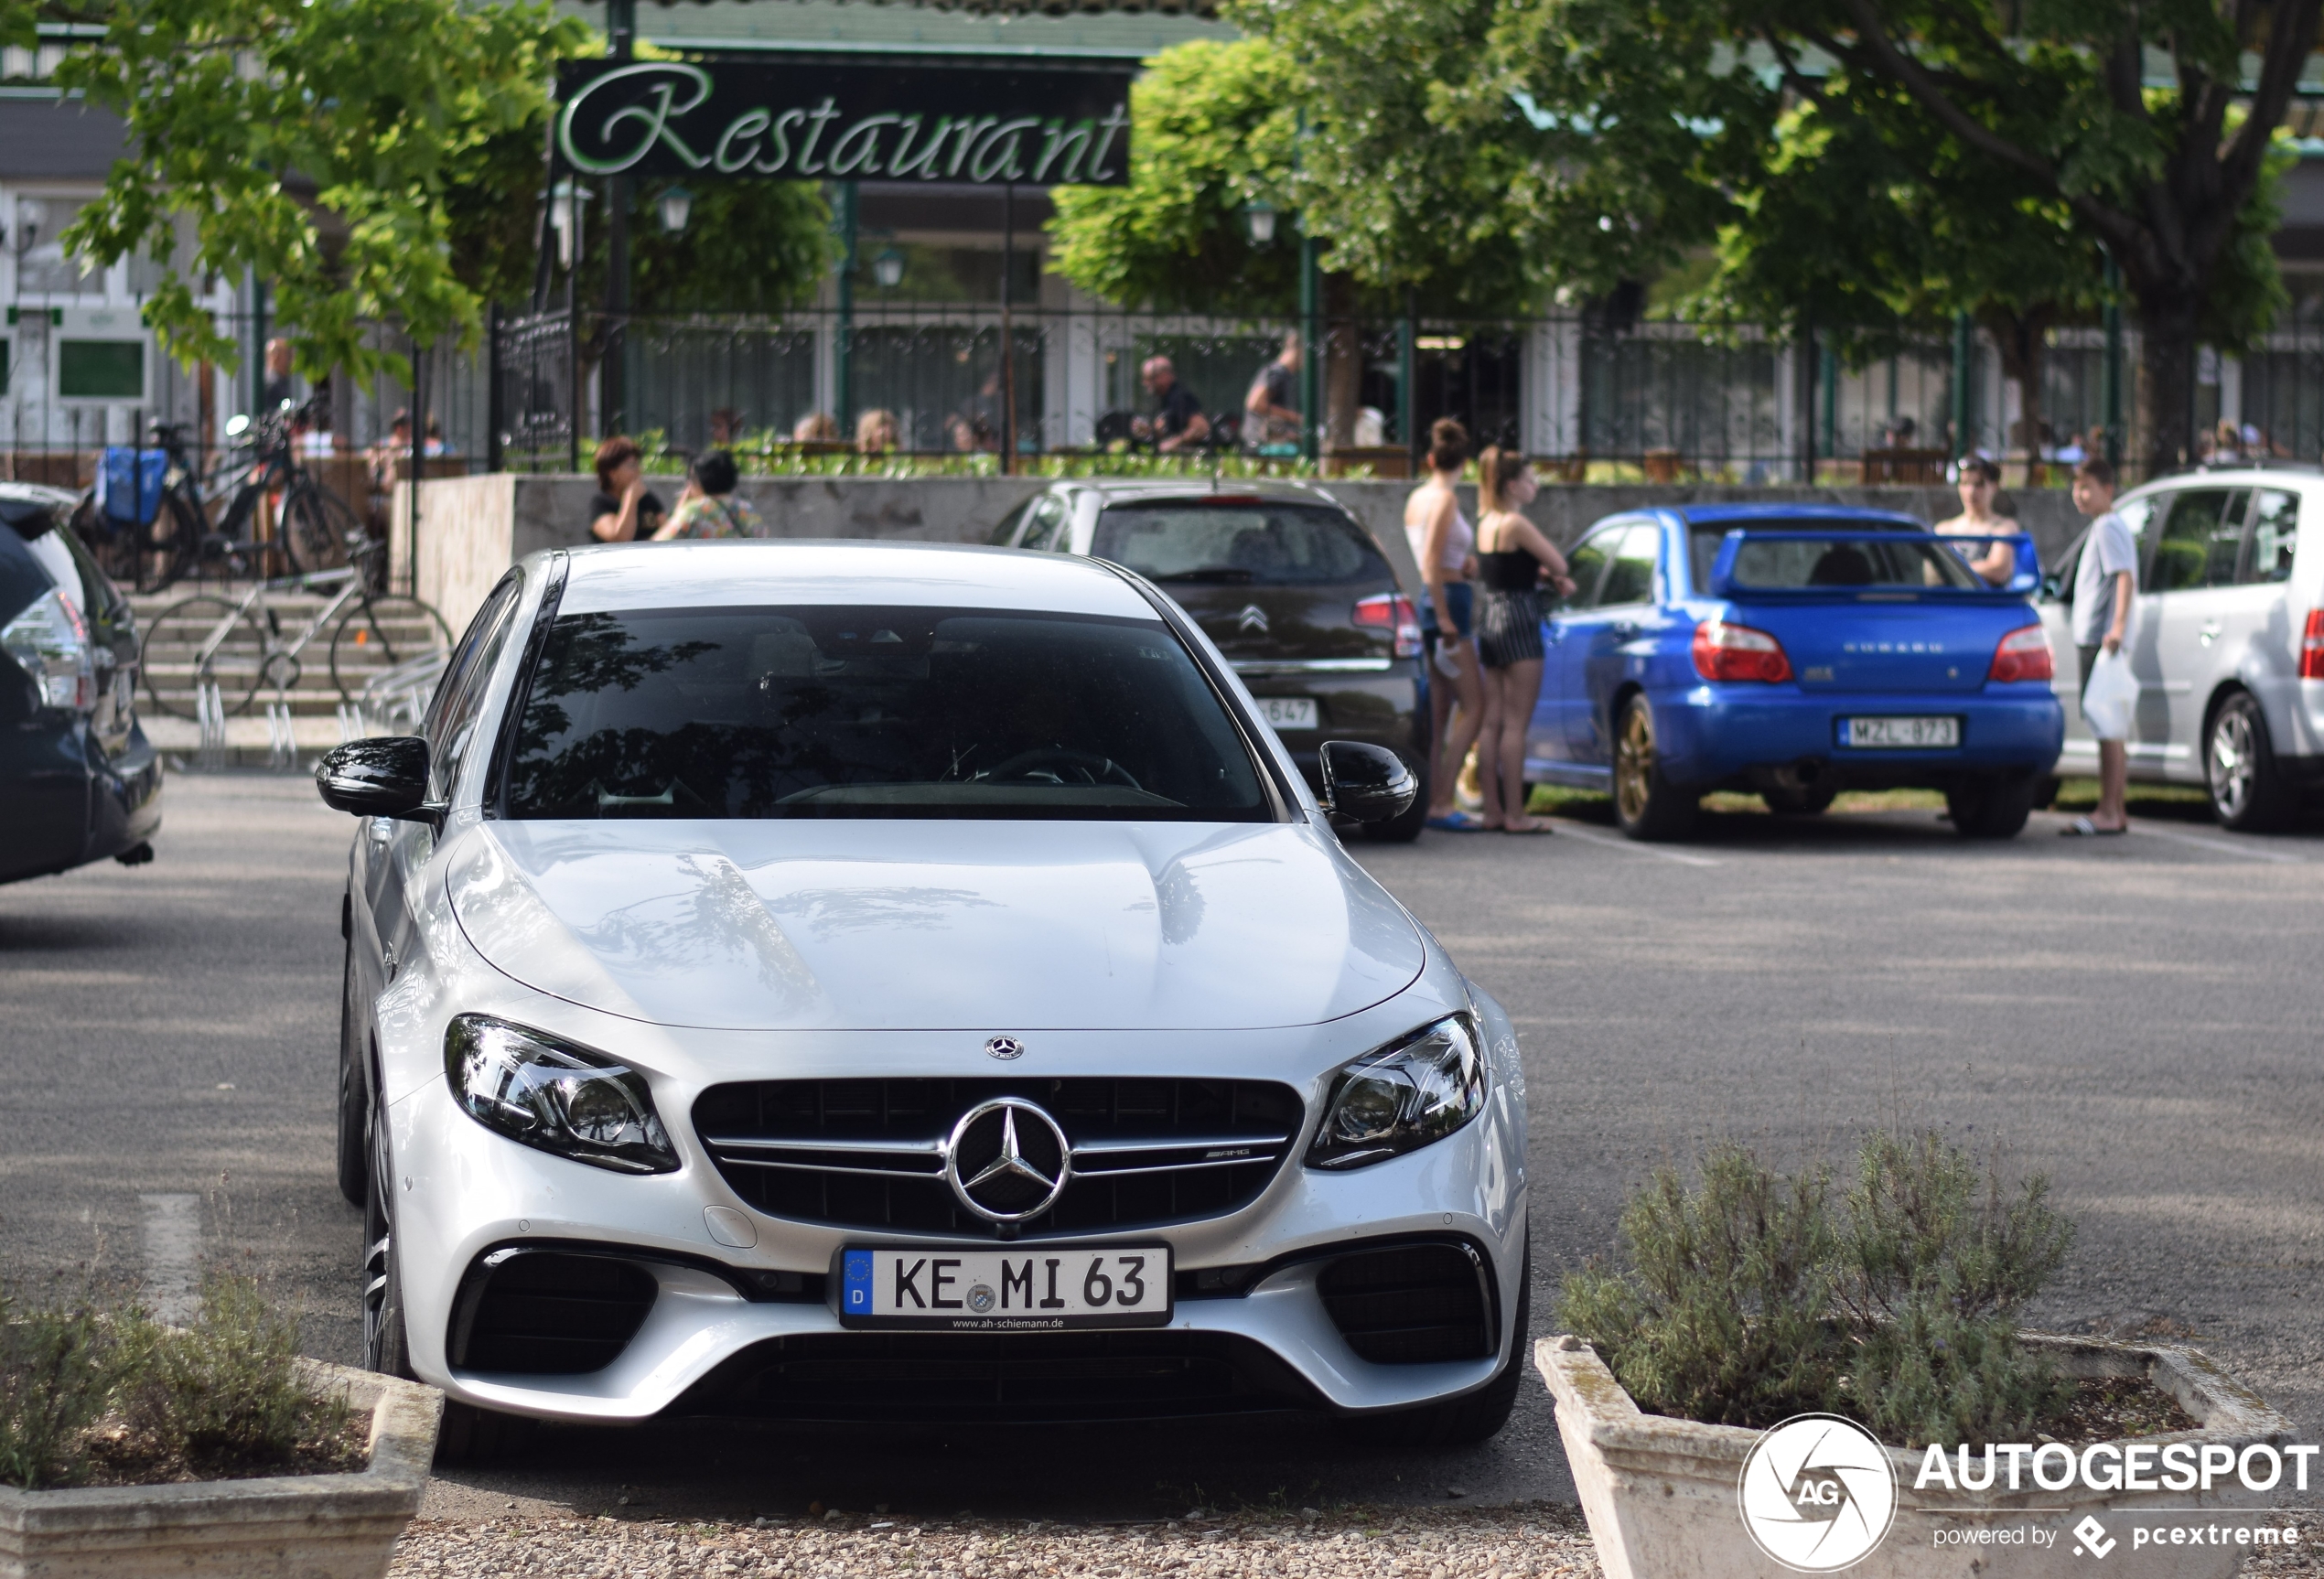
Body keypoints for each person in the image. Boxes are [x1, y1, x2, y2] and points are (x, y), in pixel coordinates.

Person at [1471, 447, 1577, 834]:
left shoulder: (1486, 521)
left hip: (1492, 615)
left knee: (1492, 721)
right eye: (1532, 480)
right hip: (1520, 619)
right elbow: (1561, 562)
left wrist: (1543, 576)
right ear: (1513, 485)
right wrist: (1554, 573)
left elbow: (1508, 570)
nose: (1536, 486)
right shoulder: (1516, 523)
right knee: (1517, 724)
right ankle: (1517, 815)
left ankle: (1492, 811)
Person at [1404, 417, 1484, 831]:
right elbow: (1434, 560)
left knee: (1439, 710)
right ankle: (1443, 798)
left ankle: (1435, 797)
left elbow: (1431, 557)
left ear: (1431, 457)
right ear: (1463, 460)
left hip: (1435, 598)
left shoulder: (1417, 497)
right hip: (1446, 601)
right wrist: (1447, 615)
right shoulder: (1446, 499)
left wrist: (1463, 566)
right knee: (1475, 705)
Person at [2062, 457, 2136, 836]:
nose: (2080, 494)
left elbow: (2124, 578)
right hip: (2097, 638)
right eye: (2076, 487)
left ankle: (2109, 809)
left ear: (2108, 489)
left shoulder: (2108, 527)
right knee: (2107, 725)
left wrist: (2117, 628)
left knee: (2108, 726)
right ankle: (2114, 808)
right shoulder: (2103, 527)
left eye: (2087, 486)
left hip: (2101, 640)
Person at [1933, 456, 2019, 585]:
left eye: (1979, 484)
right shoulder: (1944, 529)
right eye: (1965, 483)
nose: (1971, 492)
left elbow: (1998, 569)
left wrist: (1952, 568)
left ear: (1994, 486)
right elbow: (1932, 576)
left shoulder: (2004, 527)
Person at [654, 449, 761, 540]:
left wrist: (678, 511)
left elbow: (659, 545)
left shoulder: (694, 510)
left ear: (700, 481)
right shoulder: (747, 508)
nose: (688, 484)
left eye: (691, 478)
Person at [588, 435, 667, 543]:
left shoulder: (648, 500)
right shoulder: (601, 503)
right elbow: (620, 538)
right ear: (612, 474)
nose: (638, 471)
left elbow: (668, 534)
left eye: (638, 465)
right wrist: (631, 499)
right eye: (631, 466)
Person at [1131, 357, 1209, 453]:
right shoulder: (1162, 399)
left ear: (1165, 376)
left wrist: (1174, 443)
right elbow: (1169, 430)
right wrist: (1150, 430)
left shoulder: (1179, 397)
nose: (1145, 383)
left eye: (1150, 378)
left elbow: (1201, 428)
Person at [1243, 332, 1302, 450]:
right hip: (1261, 445)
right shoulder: (1277, 372)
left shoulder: (1284, 374)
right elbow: (1255, 403)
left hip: (1273, 443)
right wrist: (1294, 417)